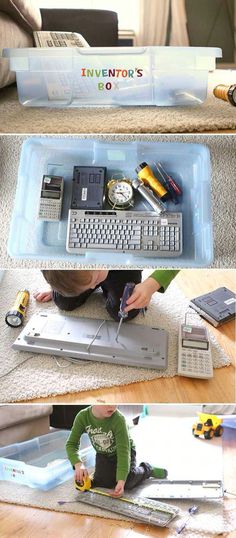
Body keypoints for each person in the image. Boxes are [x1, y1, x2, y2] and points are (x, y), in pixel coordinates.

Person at [66, 405, 168, 497]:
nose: (112, 406)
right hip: (103, 454)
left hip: (125, 451)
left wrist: (121, 481)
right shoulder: (82, 417)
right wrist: (78, 464)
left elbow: (123, 453)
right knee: (103, 482)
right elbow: (71, 444)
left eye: (115, 401)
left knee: (128, 481)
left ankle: (148, 469)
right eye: (107, 402)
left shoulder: (119, 419)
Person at [34, 269, 178, 321]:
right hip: (91, 270)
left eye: (94, 282)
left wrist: (150, 286)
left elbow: (177, 258)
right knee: (63, 301)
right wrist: (61, 285)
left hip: (123, 267)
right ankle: (89, 282)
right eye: (90, 285)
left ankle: (105, 284)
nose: (92, 287)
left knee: (124, 312)